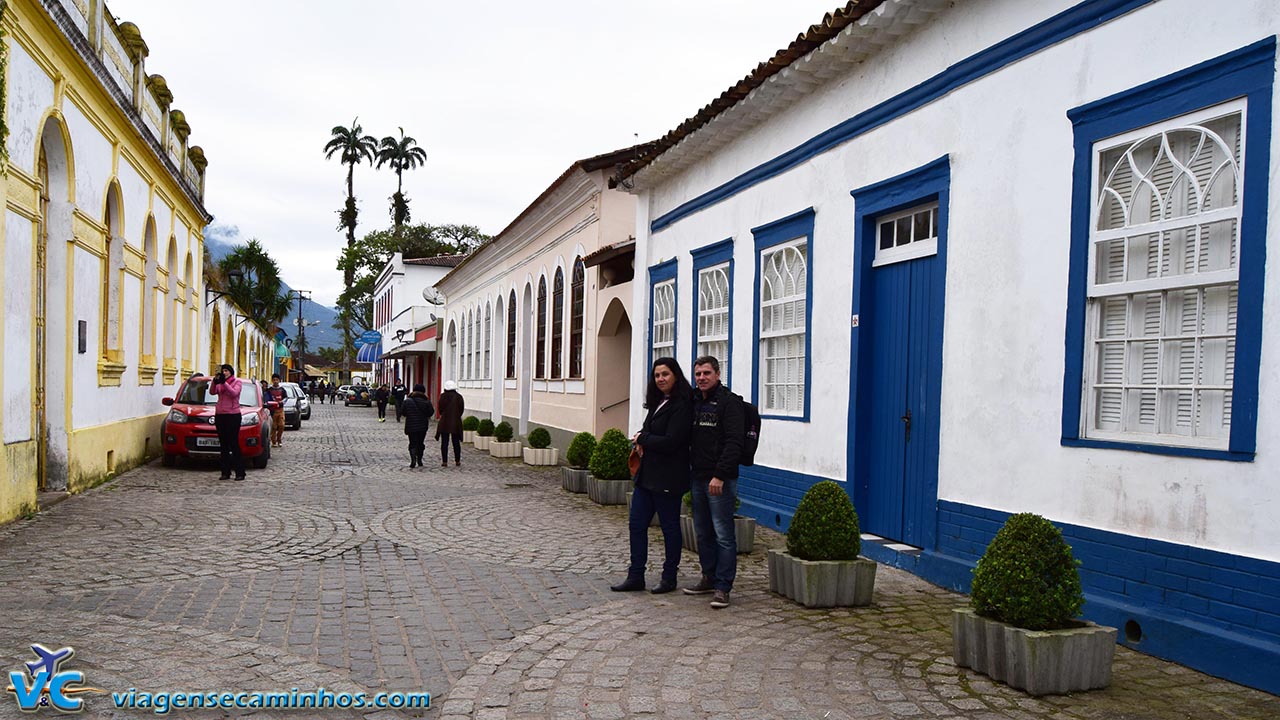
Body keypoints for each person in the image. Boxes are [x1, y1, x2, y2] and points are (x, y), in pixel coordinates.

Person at [611, 358, 693, 595]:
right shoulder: (658, 402)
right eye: (657, 375)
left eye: (665, 374)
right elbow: (649, 431)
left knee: (669, 529)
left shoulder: (682, 404)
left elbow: (672, 441)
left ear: (675, 375)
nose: (660, 379)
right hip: (647, 477)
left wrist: (643, 439)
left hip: (668, 478)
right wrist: (641, 436)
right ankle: (636, 575)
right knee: (636, 525)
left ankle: (669, 577)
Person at [683, 355, 744, 609]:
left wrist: (720, 475)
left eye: (706, 373)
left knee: (723, 534)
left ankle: (723, 587)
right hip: (697, 477)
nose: (701, 378)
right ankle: (708, 577)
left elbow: (734, 443)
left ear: (718, 374)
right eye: (698, 374)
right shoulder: (694, 401)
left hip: (719, 480)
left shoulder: (729, 403)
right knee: (703, 532)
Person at [208, 363, 247, 481]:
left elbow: (234, 393)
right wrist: (215, 381)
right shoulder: (220, 382)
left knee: (233, 443)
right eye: (223, 371)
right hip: (220, 414)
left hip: (233, 415)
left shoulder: (237, 382)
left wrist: (224, 383)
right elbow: (212, 392)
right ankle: (225, 472)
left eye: (226, 371)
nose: (224, 373)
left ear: (231, 372)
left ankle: (240, 472)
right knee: (223, 444)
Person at [401, 383, 435, 468]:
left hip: (411, 426)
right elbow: (431, 412)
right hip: (422, 426)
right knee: (420, 443)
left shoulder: (407, 401)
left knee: (412, 443)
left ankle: (413, 460)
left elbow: (403, 412)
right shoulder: (426, 401)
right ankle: (419, 460)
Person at [435, 380, 464, 467]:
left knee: (444, 442)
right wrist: (456, 416)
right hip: (455, 422)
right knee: (456, 442)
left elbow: (440, 409)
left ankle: (445, 461)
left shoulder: (443, 396)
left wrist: (444, 415)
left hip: (445, 422)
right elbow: (461, 409)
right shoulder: (459, 397)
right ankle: (457, 460)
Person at [265, 374, 287, 448]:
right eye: (274, 380)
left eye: (277, 380)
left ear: (279, 380)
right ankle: (274, 441)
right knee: (273, 427)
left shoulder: (282, 390)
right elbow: (266, 399)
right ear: (272, 380)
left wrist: (282, 402)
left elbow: (286, 398)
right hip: (272, 411)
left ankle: (279, 439)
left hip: (280, 410)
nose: (275, 381)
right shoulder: (269, 390)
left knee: (281, 425)